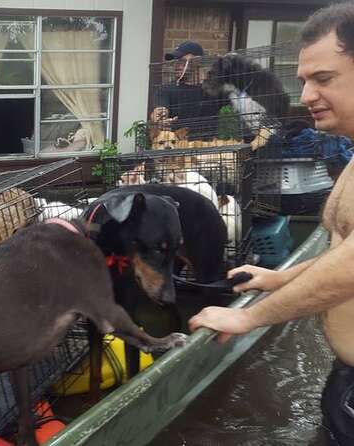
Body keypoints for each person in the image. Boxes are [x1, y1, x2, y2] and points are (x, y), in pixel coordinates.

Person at [189, 4, 354, 444]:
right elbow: (344, 254)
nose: (306, 96)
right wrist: (279, 279)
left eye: (324, 79)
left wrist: (249, 318)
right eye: (304, 80)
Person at [150, 41, 214, 136]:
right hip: (177, 142)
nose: (177, 66)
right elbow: (160, 110)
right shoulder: (166, 89)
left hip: (207, 143)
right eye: (176, 62)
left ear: (198, 61)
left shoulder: (212, 90)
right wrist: (159, 119)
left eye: (183, 61)